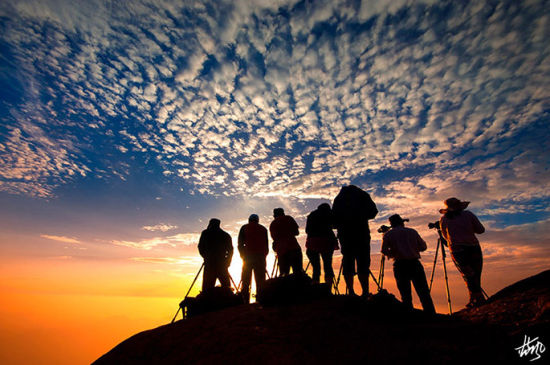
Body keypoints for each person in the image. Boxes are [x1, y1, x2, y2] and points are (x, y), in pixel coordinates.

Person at [381, 214, 436, 314]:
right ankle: (431, 314)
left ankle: (409, 315)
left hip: (400, 264)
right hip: (414, 263)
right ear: (402, 222)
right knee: (423, 291)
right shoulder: (412, 232)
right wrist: (413, 249)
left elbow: (384, 250)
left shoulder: (388, 234)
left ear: (391, 224)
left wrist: (393, 254)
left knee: (405, 293)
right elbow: (423, 247)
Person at [439, 197, 486, 308]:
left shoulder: (444, 219)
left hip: (457, 250)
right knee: (476, 273)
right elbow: (481, 230)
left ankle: (475, 298)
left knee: (467, 275)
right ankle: (477, 298)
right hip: (473, 247)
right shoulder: (468, 215)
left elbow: (446, 237)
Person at [332, 185, 378, 296]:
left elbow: (333, 221)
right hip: (361, 233)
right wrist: (361, 217)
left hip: (345, 235)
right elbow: (373, 212)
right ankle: (365, 292)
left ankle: (351, 292)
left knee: (348, 260)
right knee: (363, 261)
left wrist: (342, 223)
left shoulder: (339, 199)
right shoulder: (363, 195)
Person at [238, 214, 269, 303]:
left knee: (246, 279)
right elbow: (266, 244)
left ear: (249, 220)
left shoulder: (244, 227)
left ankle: (244, 301)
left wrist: (242, 255)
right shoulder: (263, 229)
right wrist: (264, 256)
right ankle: (261, 299)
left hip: (248, 257)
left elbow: (240, 244)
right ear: (257, 220)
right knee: (260, 280)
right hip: (260, 257)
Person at [305, 203, 338, 284]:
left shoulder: (312, 215)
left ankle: (316, 287)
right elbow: (335, 225)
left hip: (313, 243)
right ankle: (328, 289)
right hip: (327, 242)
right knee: (328, 266)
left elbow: (307, 231)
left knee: (316, 268)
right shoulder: (329, 214)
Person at [198, 218, 233, 291]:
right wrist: (227, 261)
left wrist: (205, 256)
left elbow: (200, 246)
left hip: (210, 264)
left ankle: (206, 300)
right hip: (222, 264)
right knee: (227, 288)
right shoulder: (225, 235)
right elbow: (230, 250)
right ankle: (229, 300)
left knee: (207, 288)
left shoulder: (205, 233)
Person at [269, 208, 303, 276]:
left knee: (284, 274)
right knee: (298, 272)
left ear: (274, 215)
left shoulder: (273, 224)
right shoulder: (289, 218)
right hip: (294, 248)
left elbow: (274, 238)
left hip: (282, 251)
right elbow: (297, 232)